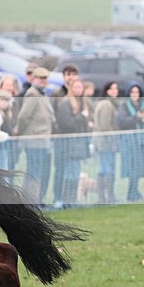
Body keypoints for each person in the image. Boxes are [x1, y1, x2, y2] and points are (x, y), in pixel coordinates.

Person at [15, 66, 54, 205]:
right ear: (35, 79)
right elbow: (23, 117)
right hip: (34, 141)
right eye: (41, 78)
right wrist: (20, 132)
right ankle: (31, 202)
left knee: (36, 172)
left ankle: (32, 201)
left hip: (42, 141)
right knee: (34, 173)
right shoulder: (32, 94)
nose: (43, 81)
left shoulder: (42, 94)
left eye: (45, 79)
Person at [55, 78, 93, 208]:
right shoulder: (65, 103)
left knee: (75, 174)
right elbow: (65, 124)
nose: (78, 90)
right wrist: (81, 117)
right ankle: (67, 201)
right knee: (70, 174)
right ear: (71, 88)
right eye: (75, 87)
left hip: (79, 145)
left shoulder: (82, 102)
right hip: (70, 146)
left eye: (80, 87)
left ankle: (72, 200)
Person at [51, 64, 79, 208]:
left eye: (73, 74)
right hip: (61, 137)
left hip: (75, 139)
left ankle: (71, 198)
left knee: (73, 170)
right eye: (68, 74)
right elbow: (54, 113)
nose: (71, 77)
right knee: (60, 168)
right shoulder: (57, 93)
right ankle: (58, 198)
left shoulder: (78, 92)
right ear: (63, 77)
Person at [117, 84, 144, 202]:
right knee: (131, 168)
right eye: (132, 92)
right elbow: (121, 121)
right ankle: (130, 193)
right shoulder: (124, 106)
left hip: (141, 141)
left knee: (139, 168)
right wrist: (136, 117)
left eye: (137, 92)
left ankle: (135, 191)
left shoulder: (143, 105)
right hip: (129, 142)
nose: (135, 95)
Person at [93, 81, 120, 204]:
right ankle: (106, 197)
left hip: (104, 143)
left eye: (116, 88)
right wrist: (112, 143)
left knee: (105, 169)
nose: (115, 91)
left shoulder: (109, 103)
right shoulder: (106, 105)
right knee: (106, 170)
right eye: (112, 89)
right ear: (107, 90)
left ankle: (105, 197)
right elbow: (105, 126)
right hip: (105, 143)